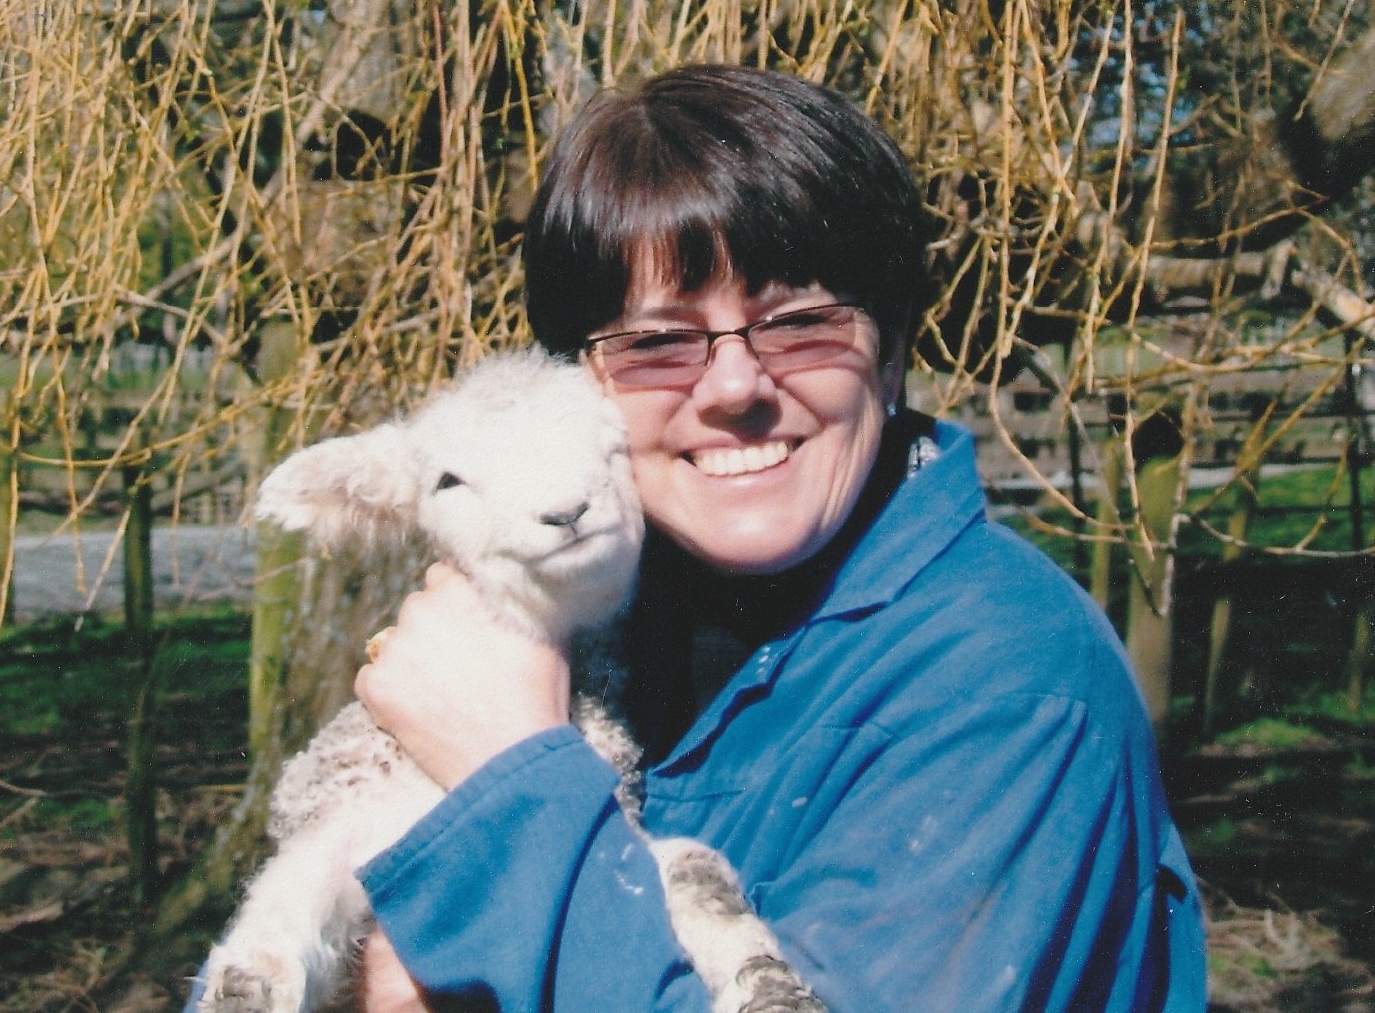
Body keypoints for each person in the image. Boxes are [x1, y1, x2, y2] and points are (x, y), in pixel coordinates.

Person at [353, 64, 1207, 1010]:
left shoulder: (1008, 684)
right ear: (572, 389)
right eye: (655, 343)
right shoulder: (576, 636)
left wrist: (506, 782)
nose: (733, 388)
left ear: (890, 353)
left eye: (799, 325)